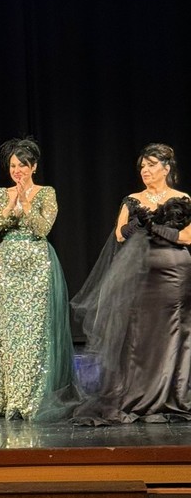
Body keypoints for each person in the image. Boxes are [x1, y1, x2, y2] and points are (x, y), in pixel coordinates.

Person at [72, 142, 191, 425]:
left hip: (174, 274)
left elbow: (188, 236)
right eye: (142, 166)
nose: (145, 170)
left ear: (166, 168)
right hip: (140, 274)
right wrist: (137, 224)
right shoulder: (132, 199)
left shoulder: (182, 198)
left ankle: (171, 392)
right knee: (138, 332)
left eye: (151, 165)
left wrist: (158, 229)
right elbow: (119, 234)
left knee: (173, 331)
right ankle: (138, 393)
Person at [0, 137, 75, 420]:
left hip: (38, 265)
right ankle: (10, 399)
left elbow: (43, 228)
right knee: (10, 332)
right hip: (7, 267)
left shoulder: (46, 193)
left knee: (35, 330)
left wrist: (26, 204)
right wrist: (8, 207)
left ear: (34, 167)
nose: (17, 170)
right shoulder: (0, 194)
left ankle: (34, 399)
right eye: (13, 166)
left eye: (22, 165)